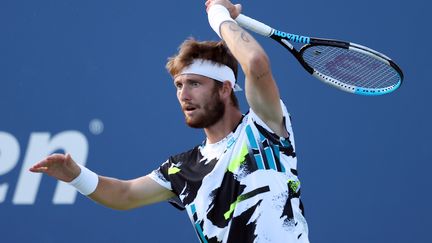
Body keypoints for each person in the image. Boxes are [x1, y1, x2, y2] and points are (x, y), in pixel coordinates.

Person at [29, 0, 309, 242]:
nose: (183, 95)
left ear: (225, 88)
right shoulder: (180, 169)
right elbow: (124, 194)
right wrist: (76, 175)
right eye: (178, 85)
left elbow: (256, 63)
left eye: (195, 84)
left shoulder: (263, 127)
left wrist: (219, 17)